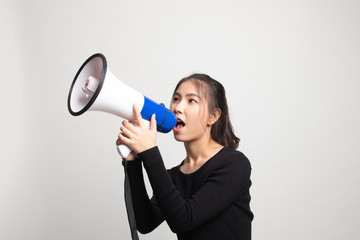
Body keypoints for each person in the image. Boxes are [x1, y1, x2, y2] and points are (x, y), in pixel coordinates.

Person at [116, 74, 253, 240]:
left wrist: (150, 152)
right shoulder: (174, 176)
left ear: (213, 116)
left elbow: (183, 220)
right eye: (175, 99)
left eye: (191, 101)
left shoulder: (235, 164)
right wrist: (134, 161)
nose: (177, 108)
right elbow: (145, 223)